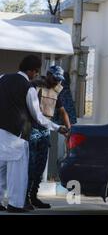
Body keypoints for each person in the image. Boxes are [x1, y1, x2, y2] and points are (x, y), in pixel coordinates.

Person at [0, 55, 68, 213]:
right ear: (31, 71)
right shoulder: (28, 87)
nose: (36, 75)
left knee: (0, 169)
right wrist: (58, 128)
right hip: (16, 135)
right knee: (18, 172)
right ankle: (15, 205)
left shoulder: (2, 77)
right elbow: (38, 116)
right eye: (36, 72)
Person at [25, 66, 71, 210]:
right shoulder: (34, 85)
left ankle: (33, 197)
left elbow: (63, 111)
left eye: (59, 79)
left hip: (46, 129)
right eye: (55, 78)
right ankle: (24, 198)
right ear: (49, 75)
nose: (57, 81)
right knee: (30, 167)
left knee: (40, 167)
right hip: (32, 129)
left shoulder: (56, 90)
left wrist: (68, 129)